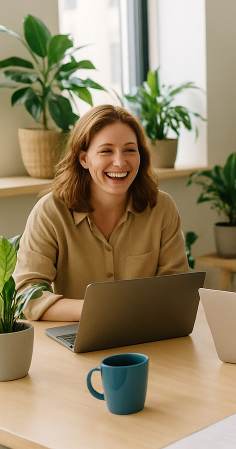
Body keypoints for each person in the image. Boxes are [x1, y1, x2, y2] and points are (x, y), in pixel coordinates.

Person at [14, 104, 189, 322]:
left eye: (130, 150)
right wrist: (100, 309)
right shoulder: (50, 212)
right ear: (83, 158)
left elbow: (178, 289)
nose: (120, 162)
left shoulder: (162, 207)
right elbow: (25, 296)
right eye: (106, 150)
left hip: (145, 333)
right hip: (74, 335)